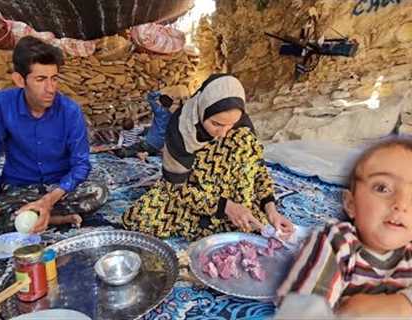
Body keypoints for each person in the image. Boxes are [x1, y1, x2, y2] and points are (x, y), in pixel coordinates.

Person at [0, 36, 107, 244]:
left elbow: (81, 165)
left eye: (54, 78)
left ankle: (28, 218)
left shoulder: (70, 110)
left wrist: (47, 201)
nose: (51, 88)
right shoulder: (0, 105)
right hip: (18, 189)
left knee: (98, 192)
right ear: (19, 80)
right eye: (41, 79)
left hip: (59, 190)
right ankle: (47, 219)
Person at [123, 74, 293, 240]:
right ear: (203, 110)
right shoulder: (182, 129)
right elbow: (175, 188)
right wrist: (225, 207)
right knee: (140, 218)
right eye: (216, 124)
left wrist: (271, 209)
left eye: (231, 125)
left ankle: (223, 218)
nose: (223, 133)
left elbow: (257, 170)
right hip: (193, 191)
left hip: (232, 190)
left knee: (255, 222)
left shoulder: (242, 127)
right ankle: (214, 218)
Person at [277, 138, 412, 318]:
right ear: (350, 203)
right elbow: (301, 311)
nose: (401, 204)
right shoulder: (336, 242)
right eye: (382, 188)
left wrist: (402, 305)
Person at [114, 91, 179, 160]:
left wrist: (160, 93)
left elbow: (150, 97)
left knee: (121, 151)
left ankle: (137, 154)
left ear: (160, 103)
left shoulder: (158, 110)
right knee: (146, 139)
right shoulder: (171, 116)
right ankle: (146, 153)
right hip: (159, 145)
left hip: (149, 142)